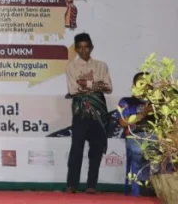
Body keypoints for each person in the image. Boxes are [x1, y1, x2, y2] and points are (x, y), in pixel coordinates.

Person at [65, 32, 113, 194]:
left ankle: (91, 185)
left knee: (96, 149)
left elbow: (108, 87)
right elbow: (73, 90)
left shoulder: (101, 65)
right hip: (81, 112)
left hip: (99, 111)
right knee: (76, 149)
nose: (83, 51)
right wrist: (96, 85)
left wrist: (86, 83)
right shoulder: (71, 66)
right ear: (76, 49)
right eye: (80, 48)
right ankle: (72, 184)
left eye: (86, 47)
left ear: (91, 47)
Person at [115, 72, 156, 197]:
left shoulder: (159, 102)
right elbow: (123, 122)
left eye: (148, 82)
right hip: (135, 136)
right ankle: (138, 191)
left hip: (156, 137)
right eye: (141, 82)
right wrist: (143, 114)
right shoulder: (127, 102)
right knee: (140, 151)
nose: (145, 85)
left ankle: (157, 191)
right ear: (134, 85)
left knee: (164, 155)